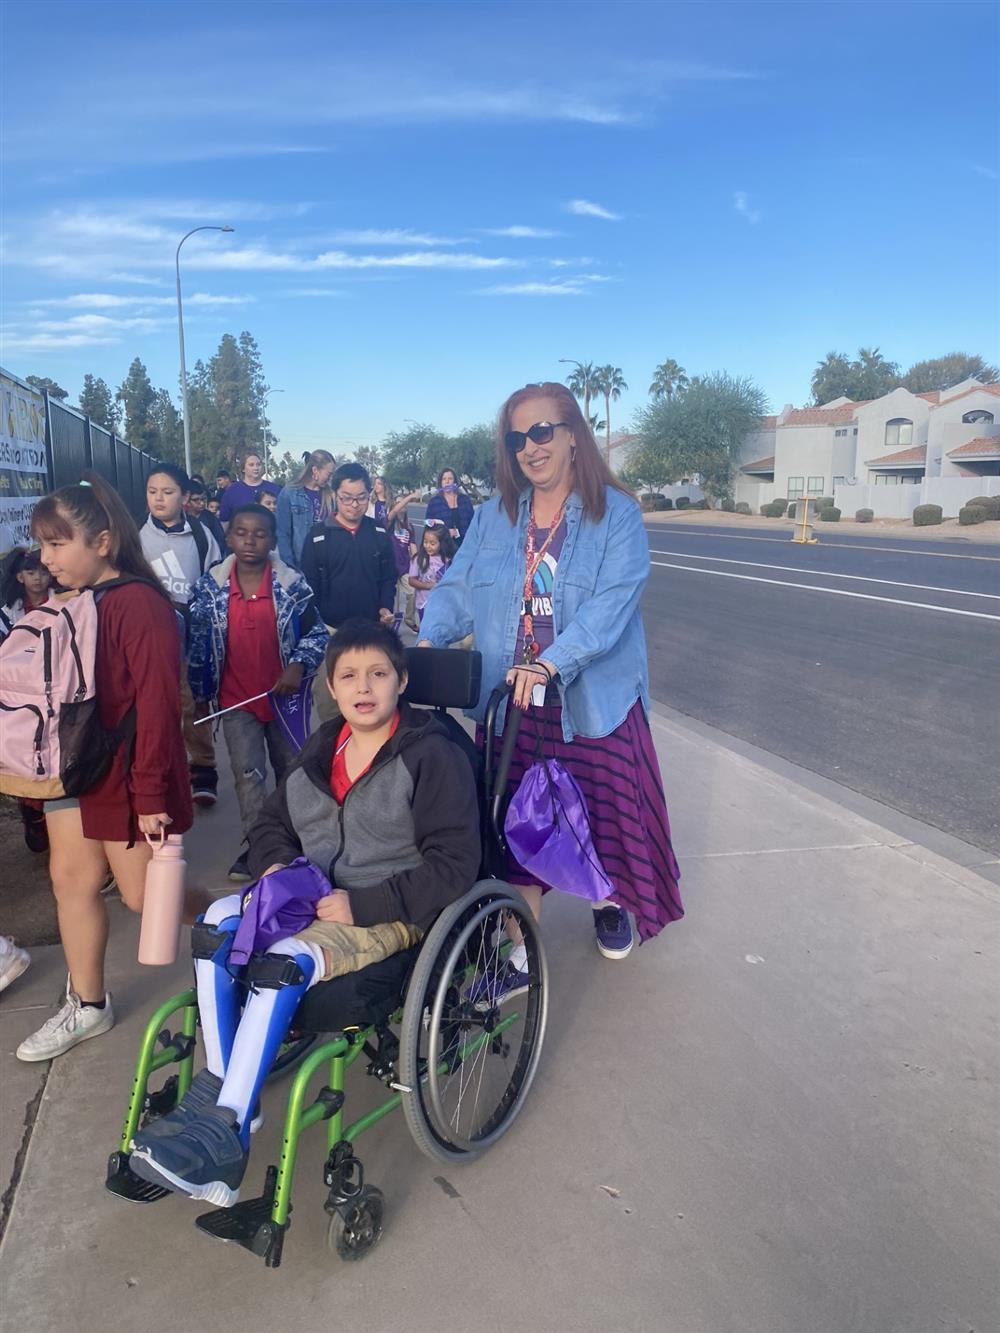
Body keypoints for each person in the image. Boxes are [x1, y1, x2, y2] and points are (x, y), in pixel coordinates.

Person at [127, 619, 481, 1204]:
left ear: (402, 681)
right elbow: (270, 822)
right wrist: (274, 867)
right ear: (332, 687)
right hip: (306, 892)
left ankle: (229, 1126)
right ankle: (227, 1089)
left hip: (386, 910)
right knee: (216, 922)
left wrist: (363, 903)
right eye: (349, 676)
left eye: (378, 674)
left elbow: (454, 865)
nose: (363, 687)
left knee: (285, 960)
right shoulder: (323, 745)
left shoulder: (433, 757)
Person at [419, 382, 682, 995]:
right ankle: (521, 954)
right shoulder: (491, 518)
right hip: (510, 700)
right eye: (518, 437)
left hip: (591, 701)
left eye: (542, 432)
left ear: (571, 437)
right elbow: (456, 590)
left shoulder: (615, 513)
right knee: (517, 825)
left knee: (603, 819)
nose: (530, 447)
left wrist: (552, 662)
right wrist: (425, 646)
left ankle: (609, 900)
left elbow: (613, 604)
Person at [16, 473, 196, 1062]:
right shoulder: (72, 602)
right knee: (70, 881)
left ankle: (246, 925)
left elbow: (157, 706)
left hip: (125, 776)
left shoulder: (140, 604)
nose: (47, 559)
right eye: (42, 546)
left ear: (101, 541)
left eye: (57, 543)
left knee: (148, 897)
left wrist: (149, 795)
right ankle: (88, 1003)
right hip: (75, 766)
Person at [187, 503, 328, 882]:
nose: (250, 540)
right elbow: (198, 644)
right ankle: (259, 847)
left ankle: (294, 843)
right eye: (242, 532)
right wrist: (200, 691)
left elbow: (317, 633)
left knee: (291, 771)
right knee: (248, 775)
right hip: (237, 700)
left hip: (286, 701)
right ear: (229, 537)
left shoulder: (292, 584)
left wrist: (298, 665)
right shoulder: (209, 588)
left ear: (273, 540)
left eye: (260, 533)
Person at [140, 462, 222, 808]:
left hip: (193, 637)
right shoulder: (137, 537)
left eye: (168, 492)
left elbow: (214, 581)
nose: (159, 499)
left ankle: (203, 769)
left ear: (185, 497)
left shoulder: (201, 536)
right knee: (157, 703)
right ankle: (161, 770)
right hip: (150, 637)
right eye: (152, 491)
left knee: (193, 700)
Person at [0, 547, 54, 852]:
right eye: (31, 572)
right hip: (17, 696)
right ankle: (32, 812)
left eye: (42, 571)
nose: (38, 578)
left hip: (50, 692)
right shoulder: (8, 613)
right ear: (19, 576)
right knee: (23, 755)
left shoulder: (62, 605)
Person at [300, 463, 397, 631]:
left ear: (369, 494)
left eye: (361, 497)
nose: (354, 505)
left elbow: (388, 578)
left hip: (372, 627)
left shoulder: (380, 533)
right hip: (330, 629)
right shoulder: (317, 537)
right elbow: (309, 585)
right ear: (335, 495)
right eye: (346, 498)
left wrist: (385, 606)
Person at [275, 449, 336, 570]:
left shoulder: (331, 496)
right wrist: (289, 566)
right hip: (299, 564)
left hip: (328, 565)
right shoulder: (289, 493)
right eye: (328, 474)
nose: (330, 478)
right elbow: (282, 533)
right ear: (315, 470)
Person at [407, 524, 454, 626]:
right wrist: (428, 586)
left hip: (442, 604)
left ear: (442, 544)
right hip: (424, 604)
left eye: (432, 543)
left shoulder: (448, 560)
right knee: (427, 632)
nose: (427, 546)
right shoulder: (419, 559)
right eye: (425, 542)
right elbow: (411, 580)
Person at [218, 453, 281, 526]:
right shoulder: (231, 492)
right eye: (251, 465)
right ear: (243, 469)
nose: (256, 468)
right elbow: (224, 522)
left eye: (258, 464)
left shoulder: (275, 489)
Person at [424, 467, 475, 544]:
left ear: (455, 481)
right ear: (440, 482)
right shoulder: (434, 502)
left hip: (465, 545)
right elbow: (428, 526)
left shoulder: (465, 500)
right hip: (443, 546)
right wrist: (445, 532)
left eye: (450, 478)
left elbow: (473, 523)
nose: (447, 482)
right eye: (444, 479)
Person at [185, 479, 226, 550]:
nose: (202, 503)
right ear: (186, 500)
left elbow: (220, 542)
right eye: (196, 500)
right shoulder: (181, 519)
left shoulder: (211, 519)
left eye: (203, 499)